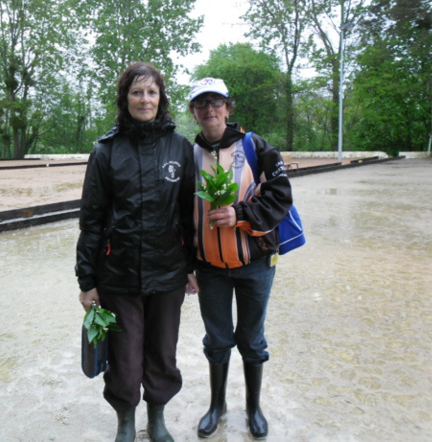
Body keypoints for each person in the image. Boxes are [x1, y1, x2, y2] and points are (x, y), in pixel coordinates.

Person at [76, 62, 198, 442]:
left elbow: (188, 215)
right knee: (125, 358)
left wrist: (192, 266)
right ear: (124, 98)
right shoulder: (106, 150)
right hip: (119, 274)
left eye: (151, 92)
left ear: (161, 99)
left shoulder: (181, 147)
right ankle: (125, 420)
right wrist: (87, 280)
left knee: (162, 352)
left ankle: (157, 417)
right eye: (136, 92)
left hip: (167, 273)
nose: (144, 99)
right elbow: (92, 218)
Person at [188, 78, 293, 440]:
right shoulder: (188, 156)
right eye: (201, 104)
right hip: (209, 270)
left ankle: (253, 407)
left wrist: (241, 214)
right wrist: (187, 265)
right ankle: (217, 406)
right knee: (216, 340)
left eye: (216, 102)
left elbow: (280, 197)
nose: (209, 109)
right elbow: (177, 216)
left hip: (256, 265)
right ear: (193, 113)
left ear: (228, 108)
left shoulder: (256, 147)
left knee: (252, 340)